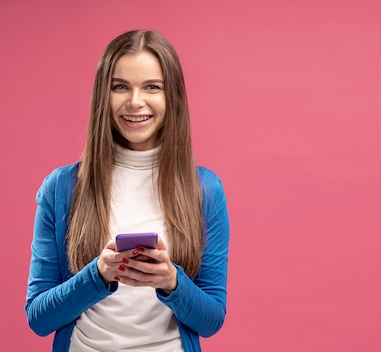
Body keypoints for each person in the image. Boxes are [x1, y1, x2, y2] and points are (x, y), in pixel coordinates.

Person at [25, 30, 230, 352]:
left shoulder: (204, 190)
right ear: (103, 96)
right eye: (120, 87)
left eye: (152, 87)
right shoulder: (61, 188)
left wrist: (171, 281)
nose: (135, 101)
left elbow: (211, 319)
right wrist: (99, 274)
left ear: (171, 96)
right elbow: (39, 318)